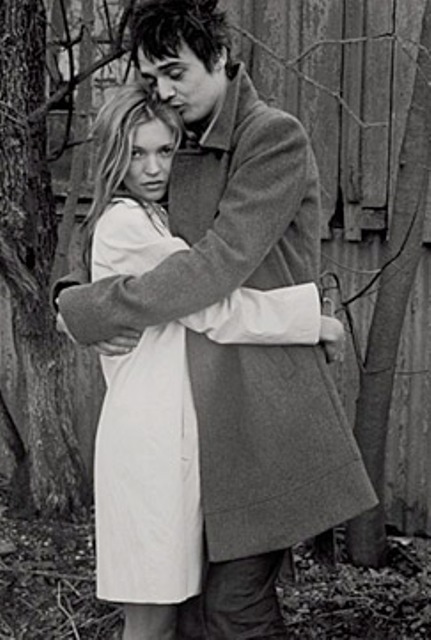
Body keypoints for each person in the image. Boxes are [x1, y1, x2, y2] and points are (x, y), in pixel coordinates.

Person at [54, 1, 378, 637]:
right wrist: (68, 292)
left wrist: (90, 307)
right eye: (152, 79)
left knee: (233, 606)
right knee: (195, 611)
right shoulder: (173, 141)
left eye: (175, 73)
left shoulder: (271, 138)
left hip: (262, 402)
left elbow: (214, 267)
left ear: (220, 57)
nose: (164, 92)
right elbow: (122, 222)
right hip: (195, 414)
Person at [86, 81, 345, 640]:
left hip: (179, 438)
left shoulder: (157, 217)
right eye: (136, 153)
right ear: (112, 157)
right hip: (149, 443)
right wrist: (311, 321)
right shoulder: (126, 225)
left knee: (183, 616)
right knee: (151, 621)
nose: (153, 168)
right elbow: (212, 309)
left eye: (165, 150)